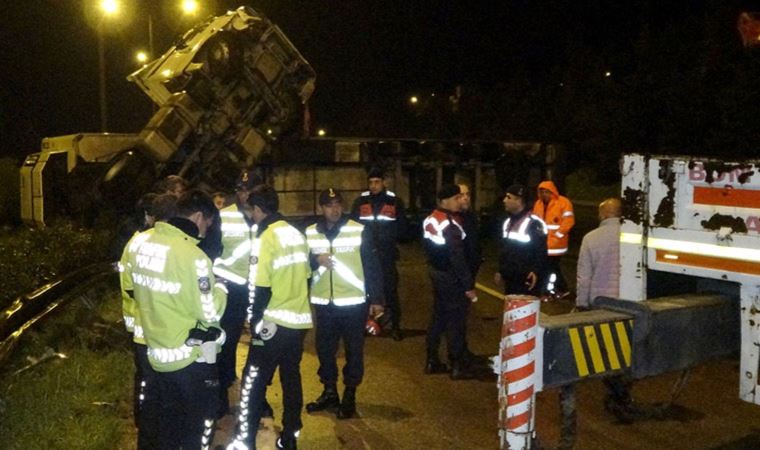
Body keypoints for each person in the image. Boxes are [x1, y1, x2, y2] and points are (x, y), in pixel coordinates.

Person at [120, 189, 227, 449]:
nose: (205, 231)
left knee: (164, 425)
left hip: (154, 353)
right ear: (200, 217)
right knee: (196, 428)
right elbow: (210, 311)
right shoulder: (193, 257)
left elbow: (132, 290)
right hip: (187, 359)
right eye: (208, 224)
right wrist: (221, 289)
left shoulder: (138, 243)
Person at [229, 186, 312, 450]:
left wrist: (254, 322)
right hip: (297, 322)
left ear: (259, 210)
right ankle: (289, 437)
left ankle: (246, 440)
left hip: (272, 324)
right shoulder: (296, 235)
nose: (251, 216)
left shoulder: (266, 238)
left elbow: (261, 287)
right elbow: (308, 277)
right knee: (291, 379)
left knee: (253, 380)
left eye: (251, 211)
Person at [304, 188, 384, 419]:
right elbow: (301, 264)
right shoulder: (310, 233)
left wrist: (377, 299)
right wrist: (315, 259)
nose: (335, 209)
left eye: (338, 204)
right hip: (324, 304)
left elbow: (372, 265)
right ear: (320, 208)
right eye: (329, 205)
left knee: (354, 352)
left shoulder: (357, 230)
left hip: (353, 304)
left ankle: (349, 394)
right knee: (325, 352)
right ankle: (330, 392)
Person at [575, 197, 635, 423]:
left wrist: (582, 303)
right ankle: (622, 392)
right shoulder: (633, 236)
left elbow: (584, 276)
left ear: (602, 215)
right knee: (625, 347)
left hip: (602, 302)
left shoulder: (591, 238)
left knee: (606, 350)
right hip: (628, 302)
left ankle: (614, 391)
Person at [212, 169, 266, 418]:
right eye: (241, 191)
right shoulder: (223, 217)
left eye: (249, 190)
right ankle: (222, 392)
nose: (245, 195)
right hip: (232, 288)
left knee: (262, 342)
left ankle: (257, 395)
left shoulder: (266, 217)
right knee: (227, 340)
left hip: (260, 286)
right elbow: (210, 250)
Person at [422, 184, 478, 379]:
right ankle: (456, 365)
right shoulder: (450, 224)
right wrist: (468, 285)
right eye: (455, 198)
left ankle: (431, 359)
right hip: (450, 277)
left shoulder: (431, 218)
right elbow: (457, 256)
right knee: (455, 321)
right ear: (445, 200)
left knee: (438, 317)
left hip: (436, 272)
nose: (459, 201)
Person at [350, 167, 408, 341]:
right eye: (371, 182)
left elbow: (403, 227)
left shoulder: (394, 202)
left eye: (377, 182)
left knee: (390, 291)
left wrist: (390, 239)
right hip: (365, 254)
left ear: (384, 183)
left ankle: (395, 326)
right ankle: (365, 325)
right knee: (365, 291)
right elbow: (353, 226)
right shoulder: (360, 202)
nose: (374, 185)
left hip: (386, 254)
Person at [496, 184, 549, 296]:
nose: (504, 200)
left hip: (526, 279)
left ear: (519, 200)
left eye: (509, 197)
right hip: (510, 278)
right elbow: (504, 249)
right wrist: (501, 270)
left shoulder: (534, 223)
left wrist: (536, 271)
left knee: (525, 311)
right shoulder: (507, 222)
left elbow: (541, 251)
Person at [532, 180, 574, 296]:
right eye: (542, 192)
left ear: (552, 192)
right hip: (543, 243)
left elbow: (568, 221)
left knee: (550, 267)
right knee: (550, 268)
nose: (544, 194)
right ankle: (555, 289)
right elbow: (535, 221)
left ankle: (555, 289)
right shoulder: (538, 204)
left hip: (557, 244)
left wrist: (558, 235)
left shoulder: (564, 203)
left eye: (547, 192)